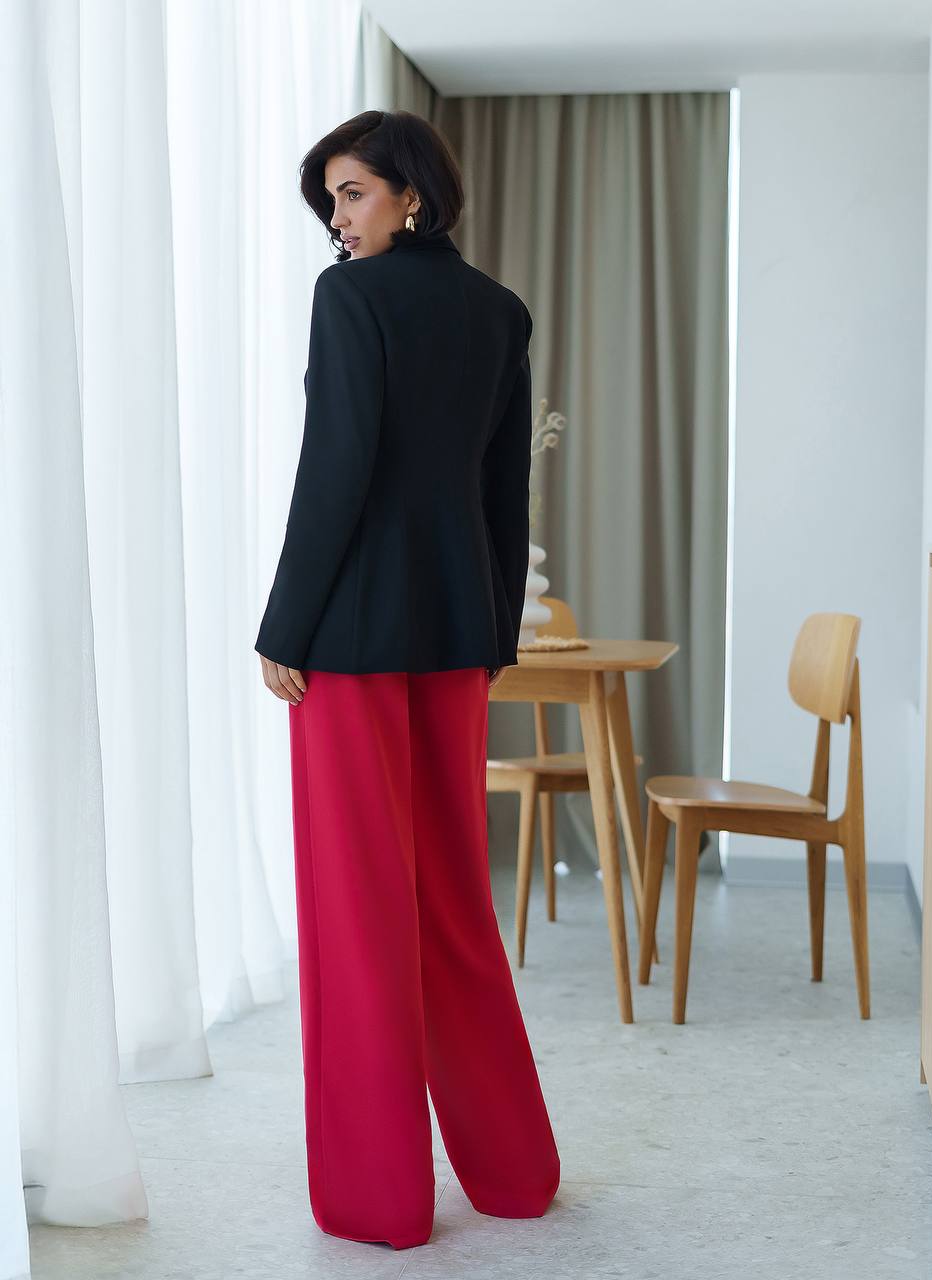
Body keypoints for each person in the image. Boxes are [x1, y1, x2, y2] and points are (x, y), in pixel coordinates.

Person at [253, 109, 560, 1250]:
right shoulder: (498, 311)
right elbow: (501, 494)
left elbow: (334, 467)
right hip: (455, 644)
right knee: (454, 908)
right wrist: (495, 636)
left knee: (358, 918)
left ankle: (377, 1199)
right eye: (331, 199)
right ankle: (515, 1175)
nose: (337, 220)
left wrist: (283, 624)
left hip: (350, 646)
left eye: (352, 195)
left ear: (412, 196)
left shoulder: (354, 301)